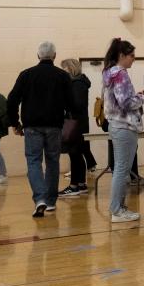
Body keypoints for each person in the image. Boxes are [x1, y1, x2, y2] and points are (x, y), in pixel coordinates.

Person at [7, 41, 75, 218]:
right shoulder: (62, 76)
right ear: (54, 56)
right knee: (52, 161)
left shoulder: (26, 75)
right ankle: (51, 201)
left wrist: (15, 123)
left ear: (38, 56)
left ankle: (40, 199)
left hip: (32, 127)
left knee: (33, 161)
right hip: (54, 126)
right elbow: (72, 104)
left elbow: (12, 100)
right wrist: (68, 117)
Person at [102, 38, 144, 223]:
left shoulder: (109, 72)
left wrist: (135, 95)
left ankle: (119, 207)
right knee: (122, 170)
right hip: (124, 126)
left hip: (116, 125)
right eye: (131, 55)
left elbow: (120, 99)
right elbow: (125, 103)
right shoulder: (121, 74)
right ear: (122, 55)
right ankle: (117, 210)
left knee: (120, 169)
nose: (134, 59)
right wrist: (142, 98)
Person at [57, 59, 91, 198]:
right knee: (77, 154)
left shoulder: (77, 85)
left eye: (64, 68)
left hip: (76, 124)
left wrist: (63, 102)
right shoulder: (79, 83)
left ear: (70, 69)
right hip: (78, 123)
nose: (63, 71)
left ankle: (74, 186)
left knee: (75, 154)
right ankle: (81, 184)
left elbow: (76, 105)